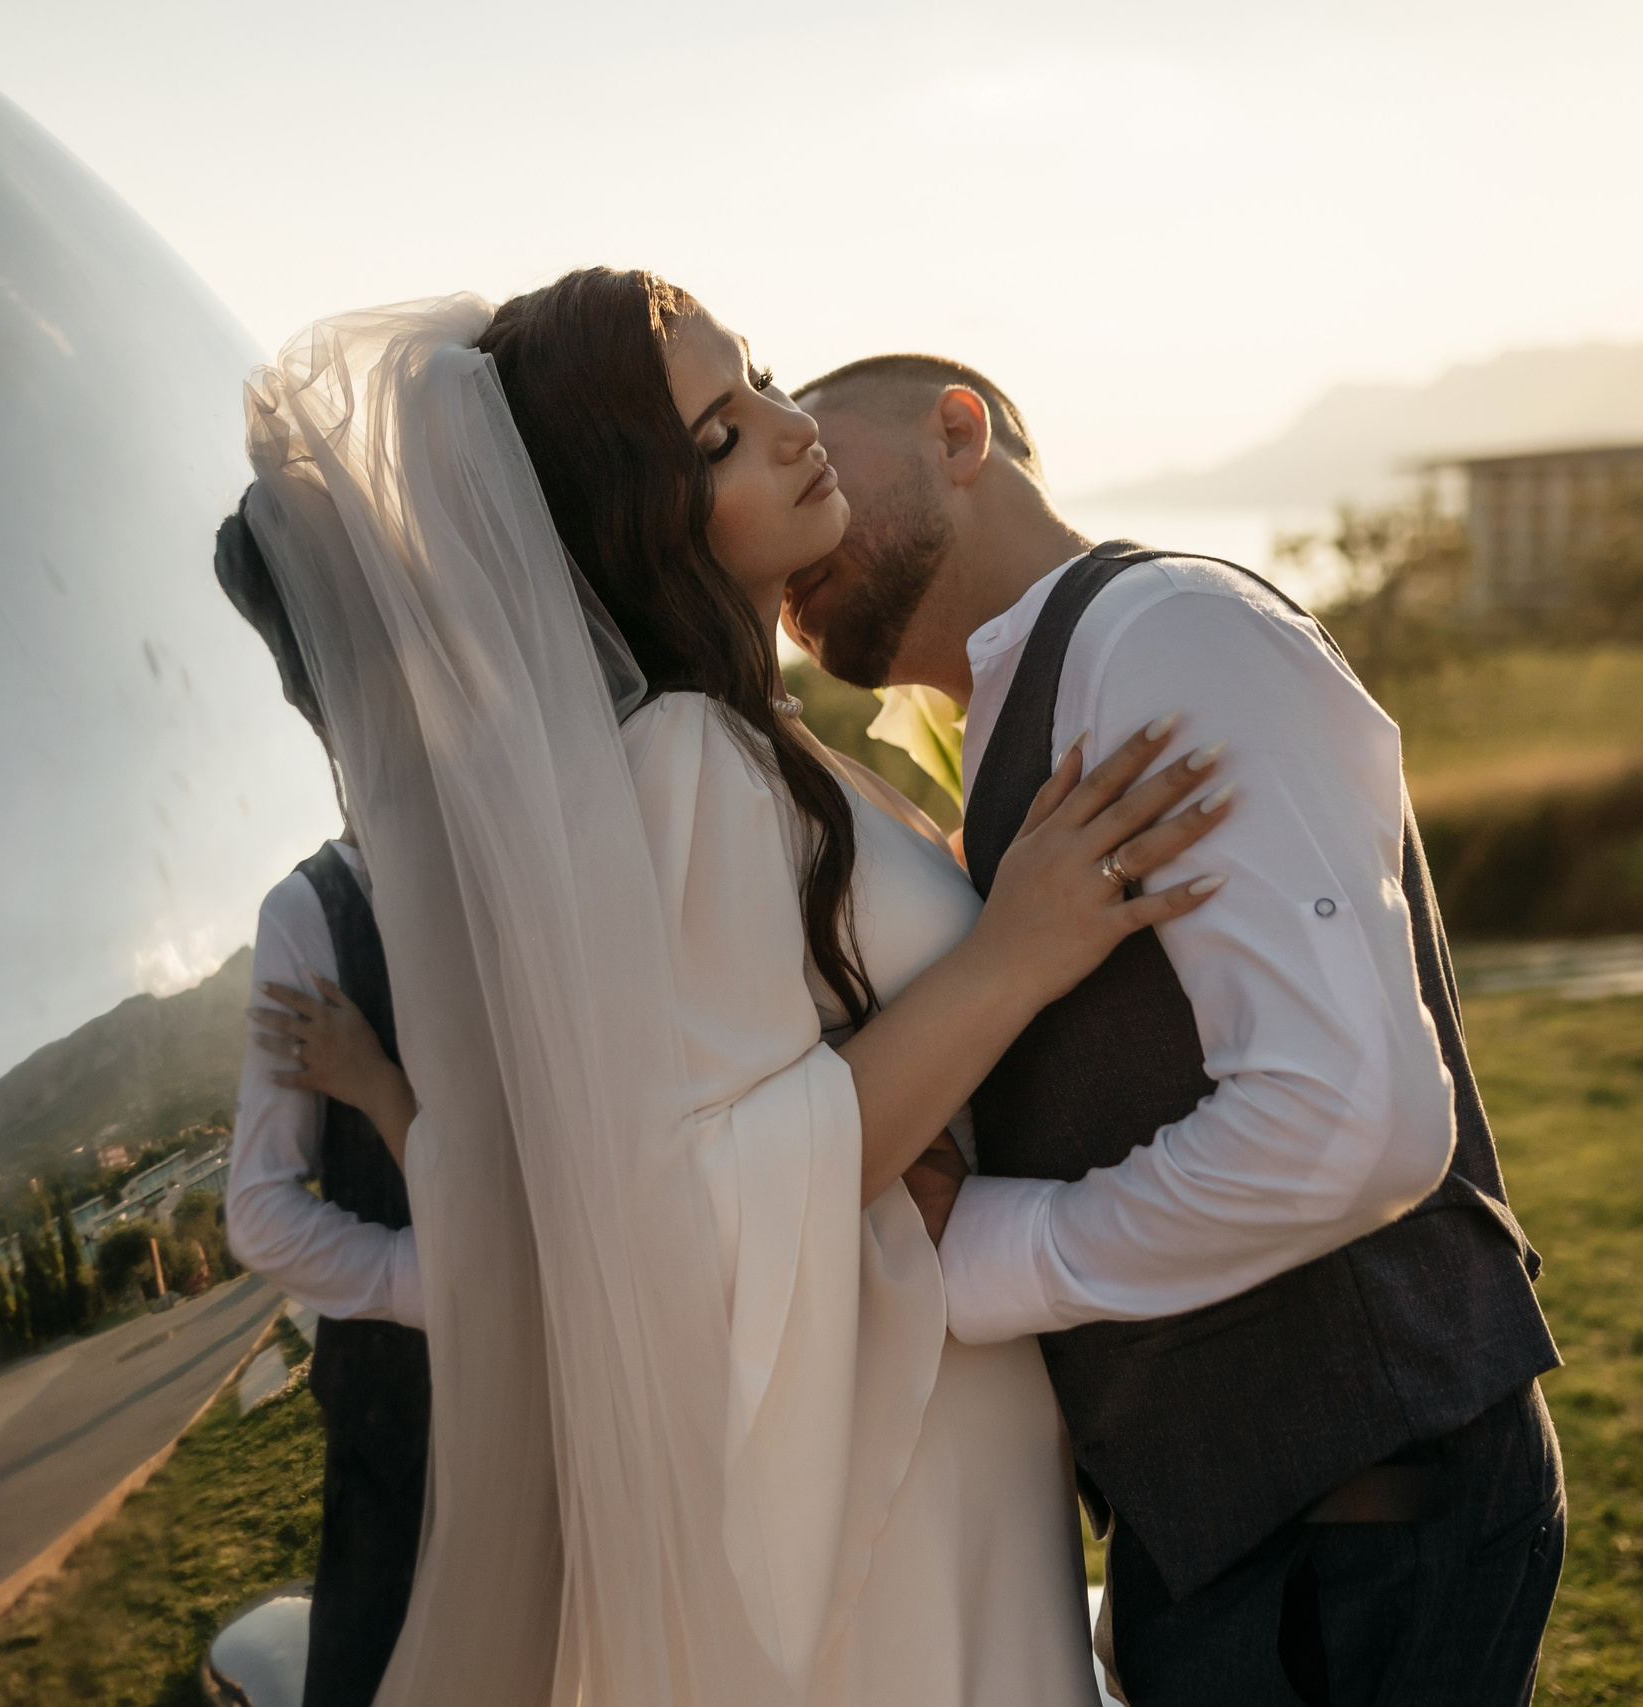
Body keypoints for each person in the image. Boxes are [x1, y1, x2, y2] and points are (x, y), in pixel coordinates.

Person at [240, 274, 1237, 1706]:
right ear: (633, 524)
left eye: (756, 378)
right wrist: (1012, 954)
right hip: (892, 1492)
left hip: (952, 1438)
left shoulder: (771, 748)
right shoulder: (686, 765)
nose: (787, 427)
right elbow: (696, 1194)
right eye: (717, 438)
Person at [780, 353, 1563, 1704]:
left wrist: (994, 1247)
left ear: (958, 434)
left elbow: (1350, 1119)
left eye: (819, 453)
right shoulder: (1035, 696)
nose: (800, 525)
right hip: (1235, 1525)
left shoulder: (1166, 634)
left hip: (1360, 1516)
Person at [213, 495, 429, 1707]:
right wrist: (422, 1282)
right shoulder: (310, 916)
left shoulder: (543, 862)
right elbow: (259, 1209)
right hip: (404, 1404)